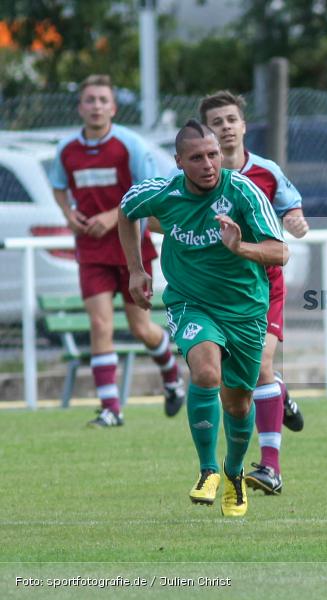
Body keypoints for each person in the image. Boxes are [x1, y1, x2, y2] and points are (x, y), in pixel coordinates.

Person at [118, 120, 288, 516]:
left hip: (244, 309)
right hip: (190, 302)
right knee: (206, 372)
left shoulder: (243, 191)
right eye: (196, 158)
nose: (208, 164)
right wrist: (136, 269)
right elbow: (126, 211)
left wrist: (240, 247)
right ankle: (207, 469)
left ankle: (233, 473)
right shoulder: (162, 192)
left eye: (213, 155)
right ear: (179, 161)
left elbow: (280, 252)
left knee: (239, 404)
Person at [49, 74, 185, 427]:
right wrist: (69, 214)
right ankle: (111, 408)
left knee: (141, 328)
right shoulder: (67, 150)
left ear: (113, 107)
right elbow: (58, 186)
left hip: (131, 249)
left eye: (102, 100)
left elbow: (150, 192)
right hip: (91, 250)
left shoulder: (130, 145)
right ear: (80, 107)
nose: (96, 106)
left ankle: (172, 376)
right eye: (89, 100)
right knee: (99, 324)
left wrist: (113, 217)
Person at [199, 90, 309, 497]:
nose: (226, 128)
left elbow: (291, 207)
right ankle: (280, 394)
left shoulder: (266, 171)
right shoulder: (198, 178)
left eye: (231, 120)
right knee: (241, 381)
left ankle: (271, 468)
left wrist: (295, 219)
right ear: (205, 133)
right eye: (217, 122)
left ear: (243, 126)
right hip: (219, 290)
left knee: (260, 367)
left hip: (264, 286)